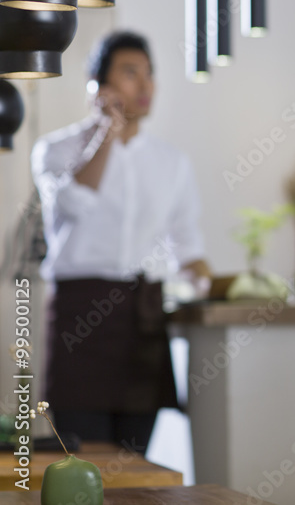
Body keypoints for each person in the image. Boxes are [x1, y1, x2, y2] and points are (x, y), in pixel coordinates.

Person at [31, 31, 210, 453]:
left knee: (135, 466)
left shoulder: (172, 163)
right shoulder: (54, 150)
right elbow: (76, 202)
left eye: (150, 74)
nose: (145, 86)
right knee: (80, 463)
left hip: (142, 320)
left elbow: (189, 246)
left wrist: (209, 290)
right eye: (131, 73)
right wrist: (106, 131)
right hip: (79, 316)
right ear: (99, 85)